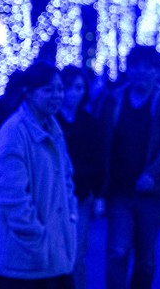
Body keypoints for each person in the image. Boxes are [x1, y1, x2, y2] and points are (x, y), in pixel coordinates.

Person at [0, 61, 77, 288]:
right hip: (19, 259)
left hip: (51, 252)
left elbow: (67, 178)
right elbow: (12, 197)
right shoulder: (15, 132)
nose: (57, 96)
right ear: (29, 93)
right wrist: (36, 239)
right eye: (48, 90)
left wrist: (70, 214)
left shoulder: (52, 126)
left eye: (60, 89)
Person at [100, 45, 160, 289]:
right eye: (135, 67)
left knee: (145, 260)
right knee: (117, 251)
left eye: (147, 67)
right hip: (119, 189)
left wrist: (153, 172)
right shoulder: (114, 98)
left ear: (156, 71)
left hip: (152, 191)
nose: (141, 72)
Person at [56, 65, 106, 289]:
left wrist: (95, 189)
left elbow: (99, 158)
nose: (73, 93)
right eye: (68, 87)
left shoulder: (90, 123)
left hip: (80, 194)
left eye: (79, 88)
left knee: (76, 254)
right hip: (53, 195)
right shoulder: (51, 120)